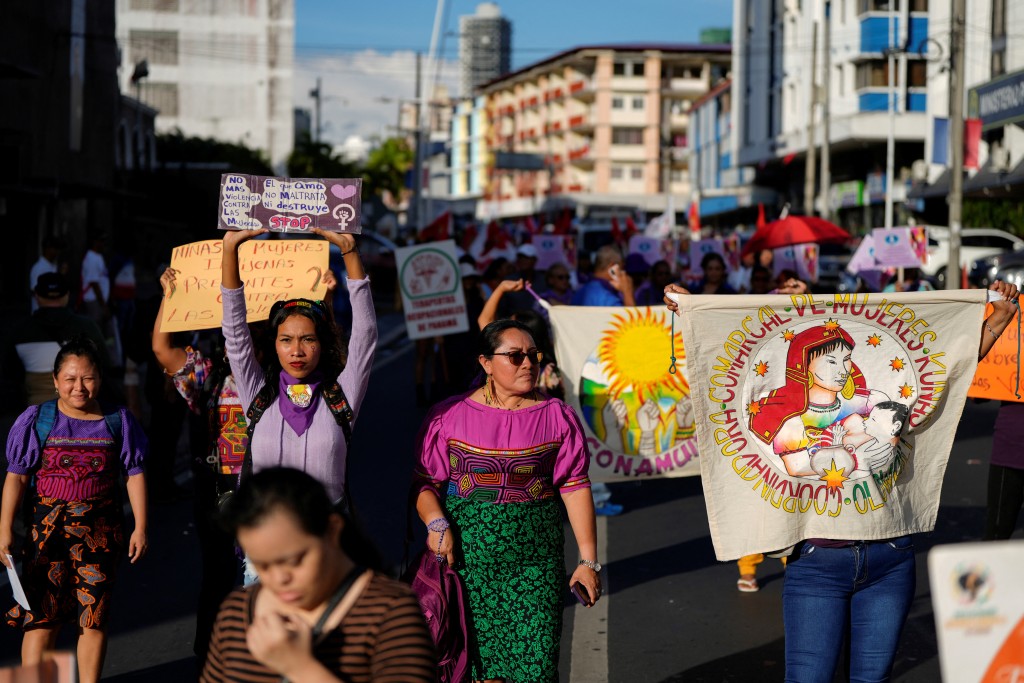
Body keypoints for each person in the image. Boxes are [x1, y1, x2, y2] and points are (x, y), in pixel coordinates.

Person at [667, 278, 1021, 683]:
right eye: (831, 360)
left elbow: (942, 373)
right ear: (805, 363)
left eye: (846, 360)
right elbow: (729, 377)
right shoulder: (791, 424)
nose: (843, 369)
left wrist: (998, 319)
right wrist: (694, 311)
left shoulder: (866, 401)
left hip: (891, 553)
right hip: (817, 562)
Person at [414, 319, 601, 683]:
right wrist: (436, 523)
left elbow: (575, 485)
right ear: (486, 363)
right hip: (469, 567)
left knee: (537, 668)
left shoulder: (558, 417)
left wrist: (588, 560)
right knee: (479, 671)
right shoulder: (448, 416)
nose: (528, 363)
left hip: (537, 567)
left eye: (533, 355)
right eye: (515, 356)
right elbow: (425, 484)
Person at [0, 336, 148, 683]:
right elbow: (17, 477)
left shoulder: (118, 420)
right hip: (45, 537)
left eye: (87, 378)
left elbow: (135, 473)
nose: (78, 387)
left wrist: (140, 526)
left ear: (99, 377)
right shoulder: (37, 419)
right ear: (55, 381)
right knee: (41, 620)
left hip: (100, 535)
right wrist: (4, 528)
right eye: (69, 378)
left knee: (92, 619)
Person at [202, 467, 435, 683]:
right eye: (262, 565)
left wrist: (300, 667)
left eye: (294, 561)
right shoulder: (235, 613)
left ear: (332, 529)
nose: (278, 579)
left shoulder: (391, 611)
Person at [219, 227, 376, 508]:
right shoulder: (256, 393)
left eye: (308, 339)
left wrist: (349, 250)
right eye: (286, 340)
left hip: (324, 545)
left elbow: (365, 334)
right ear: (274, 345)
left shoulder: (341, 396)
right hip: (266, 544)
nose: (297, 351)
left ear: (322, 343)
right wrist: (230, 250)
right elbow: (235, 332)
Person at [6, 273, 111, 407]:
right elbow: (105, 365)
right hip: (81, 413)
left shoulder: (19, 331)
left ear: (37, 296)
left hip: (38, 413)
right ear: (67, 295)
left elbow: (11, 374)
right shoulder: (87, 327)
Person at [983, 402, 1024, 540]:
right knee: (997, 536)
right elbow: (978, 392)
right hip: (1011, 450)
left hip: (1010, 446)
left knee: (996, 536)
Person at [29, 236, 61, 313]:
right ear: (47, 249)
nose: (57, 252)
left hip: (52, 313)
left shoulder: (53, 266)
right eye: (55, 249)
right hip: (41, 314)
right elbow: (35, 291)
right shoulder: (38, 268)